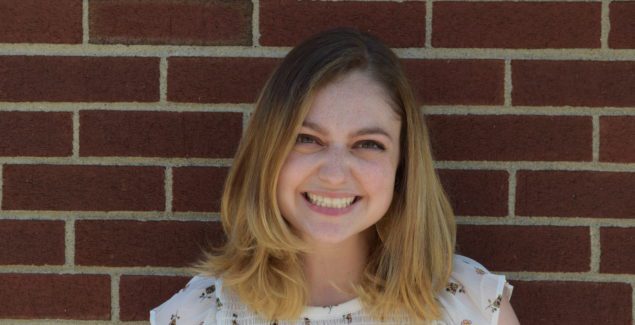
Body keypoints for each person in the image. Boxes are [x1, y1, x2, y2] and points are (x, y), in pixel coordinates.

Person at [150, 28, 519, 325]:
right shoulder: (198, 315)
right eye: (307, 139)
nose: (334, 173)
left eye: (368, 144)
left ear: (402, 165)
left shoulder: (469, 306)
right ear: (267, 152)